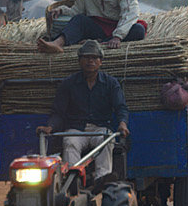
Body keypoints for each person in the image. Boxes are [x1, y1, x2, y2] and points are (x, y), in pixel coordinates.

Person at [36, 39, 130, 192]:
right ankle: (74, 179)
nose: (90, 61)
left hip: (100, 128)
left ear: (100, 62)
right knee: (70, 142)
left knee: (106, 140)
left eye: (94, 58)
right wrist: (50, 127)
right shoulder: (68, 83)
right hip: (76, 129)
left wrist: (122, 123)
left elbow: (121, 107)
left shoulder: (110, 83)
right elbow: (58, 112)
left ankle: (102, 179)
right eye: (86, 57)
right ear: (80, 61)